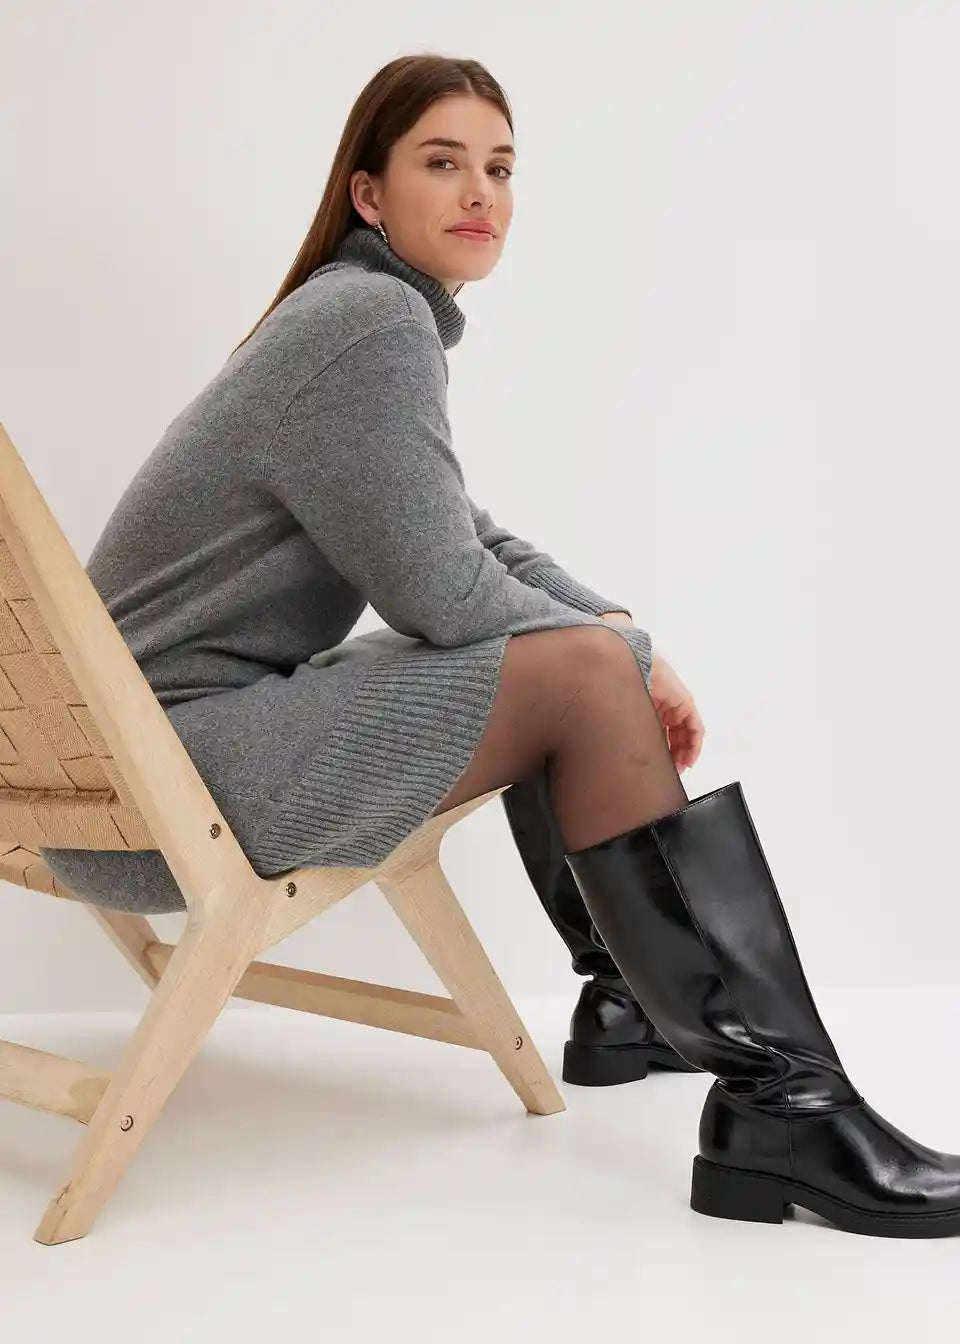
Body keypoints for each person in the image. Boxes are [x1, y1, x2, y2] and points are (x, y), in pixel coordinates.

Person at [40, 54, 960, 1238]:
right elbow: (447, 595)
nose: (481, 192)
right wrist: (615, 660)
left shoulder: (347, 315)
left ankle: (628, 1001)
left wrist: (623, 634)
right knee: (567, 673)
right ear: (369, 193)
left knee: (571, 659)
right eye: (443, 163)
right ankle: (787, 1105)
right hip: (167, 787)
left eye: (501, 168)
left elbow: (470, 537)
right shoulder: (368, 321)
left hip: (114, 778)